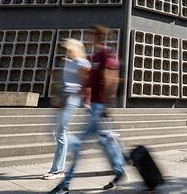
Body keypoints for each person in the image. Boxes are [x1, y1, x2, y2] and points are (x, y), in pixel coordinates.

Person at [50, 26, 125, 194]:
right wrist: (79, 95)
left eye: (90, 35)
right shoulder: (94, 57)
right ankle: (120, 170)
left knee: (78, 143)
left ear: (97, 36)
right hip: (94, 107)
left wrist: (106, 104)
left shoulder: (107, 54)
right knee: (106, 141)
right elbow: (88, 82)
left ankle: (65, 185)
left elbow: (112, 80)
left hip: (100, 108)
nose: (88, 39)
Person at [43, 39, 91, 180]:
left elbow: (87, 83)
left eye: (69, 49)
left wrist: (87, 101)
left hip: (71, 99)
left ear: (75, 49)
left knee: (61, 133)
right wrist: (54, 74)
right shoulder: (69, 62)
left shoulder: (82, 62)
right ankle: (75, 145)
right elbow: (67, 78)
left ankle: (57, 170)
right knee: (53, 132)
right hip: (63, 98)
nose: (66, 51)